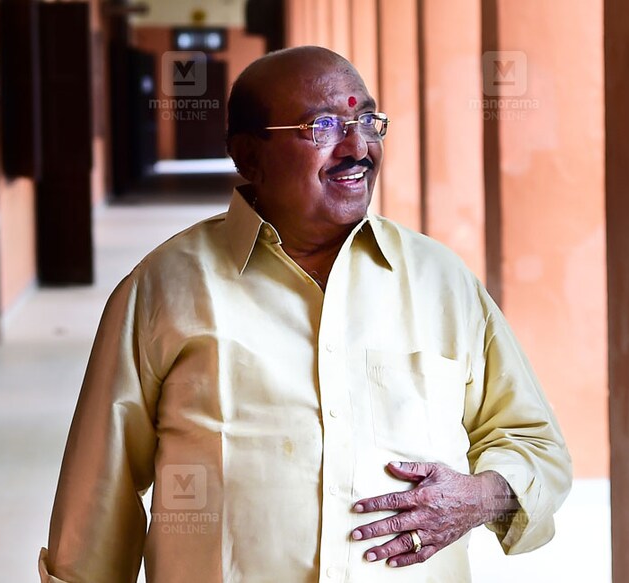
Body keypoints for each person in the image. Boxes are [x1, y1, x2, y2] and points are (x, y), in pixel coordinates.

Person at [38, 45, 571, 583]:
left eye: (367, 119)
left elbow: (535, 444)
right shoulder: (164, 289)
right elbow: (99, 489)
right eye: (322, 126)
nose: (357, 146)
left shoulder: (441, 281)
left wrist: (480, 496)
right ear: (249, 156)